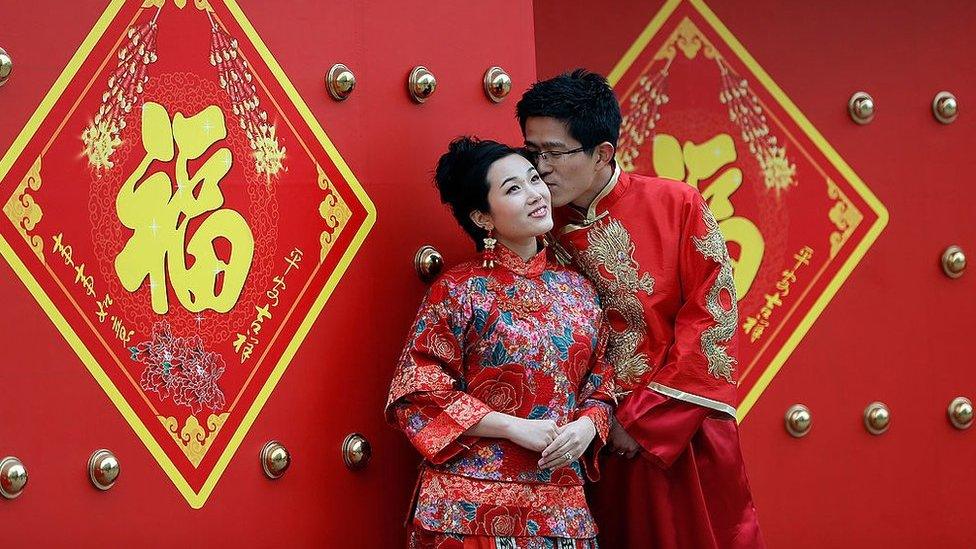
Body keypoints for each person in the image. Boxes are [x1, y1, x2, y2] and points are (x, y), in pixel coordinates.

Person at [517, 69, 764, 548]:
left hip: (677, 439)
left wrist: (641, 422)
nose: (541, 168)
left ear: (602, 152)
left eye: (555, 152)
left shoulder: (677, 205)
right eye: (532, 151)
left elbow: (712, 318)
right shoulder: (534, 228)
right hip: (580, 446)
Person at [386, 137, 616, 549]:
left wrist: (586, 426)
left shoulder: (580, 289)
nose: (535, 195)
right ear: (482, 216)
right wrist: (513, 428)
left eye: (533, 179)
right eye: (513, 189)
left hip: (561, 509)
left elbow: (601, 381)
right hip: (466, 513)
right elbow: (417, 392)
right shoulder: (457, 290)